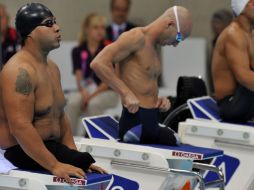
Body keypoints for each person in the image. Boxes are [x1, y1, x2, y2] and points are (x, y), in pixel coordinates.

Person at [0, 3, 106, 184]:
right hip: (18, 151)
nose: (57, 28)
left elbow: (59, 115)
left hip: (48, 147)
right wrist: (55, 166)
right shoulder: (19, 71)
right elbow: (20, 127)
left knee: (84, 160)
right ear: (30, 33)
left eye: (55, 22)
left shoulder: (52, 68)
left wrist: (74, 156)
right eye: (49, 23)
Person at [91, 6, 192, 145]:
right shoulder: (135, 38)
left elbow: (143, 82)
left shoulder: (155, 46)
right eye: (179, 37)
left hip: (153, 120)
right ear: (170, 24)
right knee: (176, 147)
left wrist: (158, 99)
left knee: (180, 142)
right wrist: (126, 93)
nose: (176, 44)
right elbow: (98, 63)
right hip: (135, 124)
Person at [66, 13, 118, 135]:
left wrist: (90, 97)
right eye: (96, 27)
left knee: (93, 104)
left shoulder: (109, 49)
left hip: (107, 91)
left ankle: (89, 140)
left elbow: (109, 80)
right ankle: (69, 140)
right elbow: (79, 76)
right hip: (86, 90)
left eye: (102, 27)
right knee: (72, 102)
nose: (100, 31)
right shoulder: (77, 50)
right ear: (87, 29)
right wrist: (84, 93)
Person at [212, 0, 254, 123]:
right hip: (231, 106)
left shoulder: (250, 34)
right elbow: (244, 77)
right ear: (244, 7)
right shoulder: (233, 34)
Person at [208, 9, 233, 92]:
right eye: (213, 22)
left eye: (218, 23)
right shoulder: (215, 41)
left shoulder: (231, 42)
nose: (215, 26)